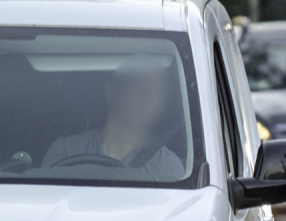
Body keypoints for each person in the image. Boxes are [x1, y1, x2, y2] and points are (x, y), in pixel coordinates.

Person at [42, 58, 184, 180]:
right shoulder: (66, 152)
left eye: (157, 93)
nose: (149, 99)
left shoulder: (166, 166)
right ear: (111, 92)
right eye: (141, 86)